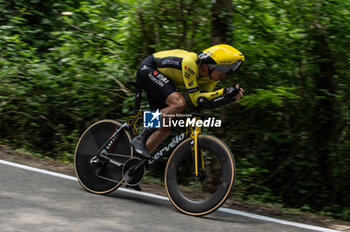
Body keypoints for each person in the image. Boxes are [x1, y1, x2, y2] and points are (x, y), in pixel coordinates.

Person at [131, 44, 245, 159]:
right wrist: (224, 91)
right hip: (149, 68)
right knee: (179, 103)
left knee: (164, 129)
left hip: (161, 79)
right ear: (211, 65)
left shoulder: (210, 78)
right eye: (224, 70)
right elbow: (195, 98)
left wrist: (229, 97)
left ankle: (134, 162)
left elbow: (203, 101)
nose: (224, 75)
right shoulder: (191, 63)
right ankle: (140, 137)